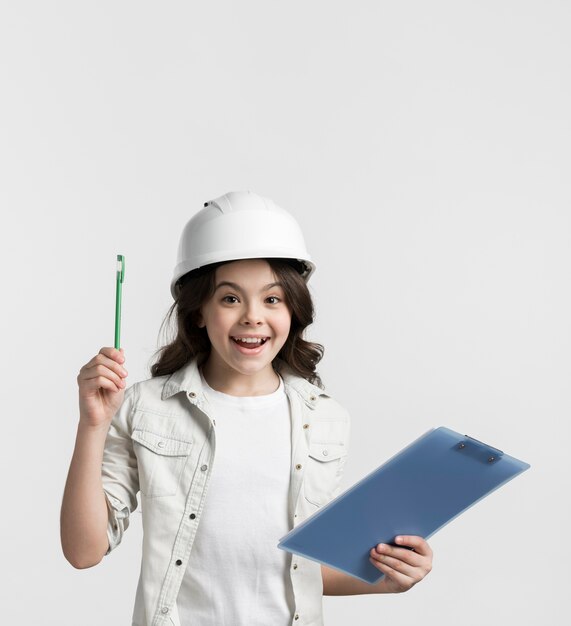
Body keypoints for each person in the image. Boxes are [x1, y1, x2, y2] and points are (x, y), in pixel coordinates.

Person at [60, 190, 433, 626]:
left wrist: (385, 577)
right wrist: (93, 425)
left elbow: (298, 569)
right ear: (198, 310)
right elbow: (83, 551)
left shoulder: (325, 420)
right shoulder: (145, 408)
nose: (253, 316)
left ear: (293, 308)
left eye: (272, 299)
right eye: (230, 298)